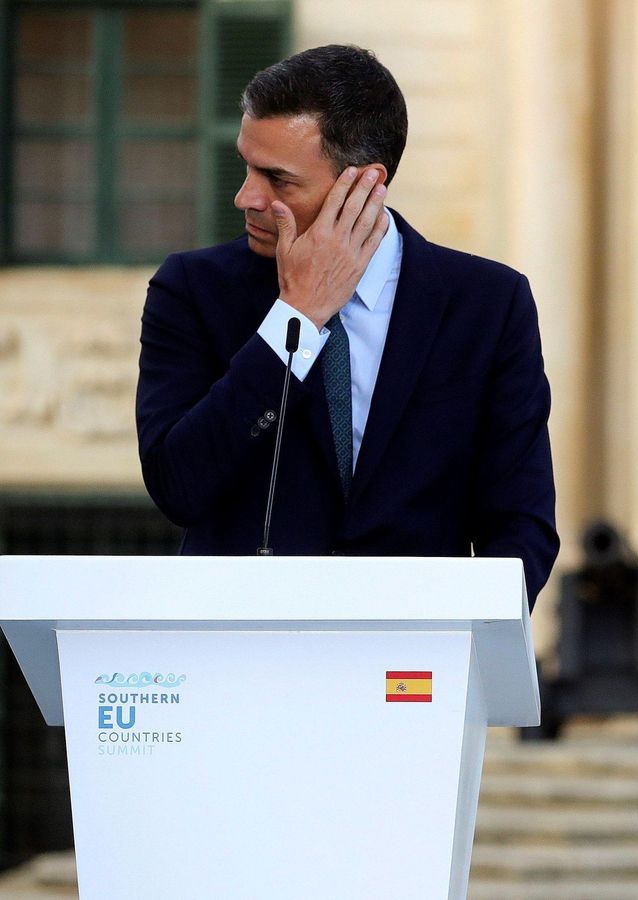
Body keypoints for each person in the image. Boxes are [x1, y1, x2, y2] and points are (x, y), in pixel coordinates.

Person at [136, 45, 558, 599]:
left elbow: (520, 523)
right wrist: (298, 316)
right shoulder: (192, 289)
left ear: (362, 184)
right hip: (242, 655)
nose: (246, 197)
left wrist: (464, 642)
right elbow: (179, 486)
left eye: (278, 180)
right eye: (246, 167)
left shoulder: (487, 303)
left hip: (414, 664)